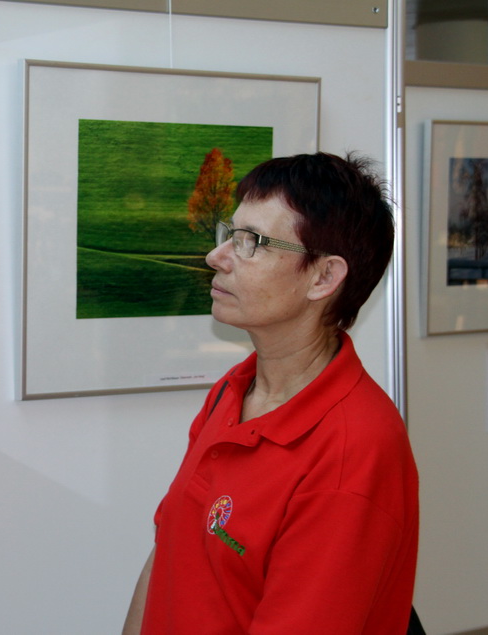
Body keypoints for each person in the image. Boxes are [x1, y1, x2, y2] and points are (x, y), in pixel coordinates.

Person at [123, 152, 419, 634]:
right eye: (229, 234)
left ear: (324, 277)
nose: (216, 257)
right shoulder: (233, 390)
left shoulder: (353, 450)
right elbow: (168, 553)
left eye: (251, 242)